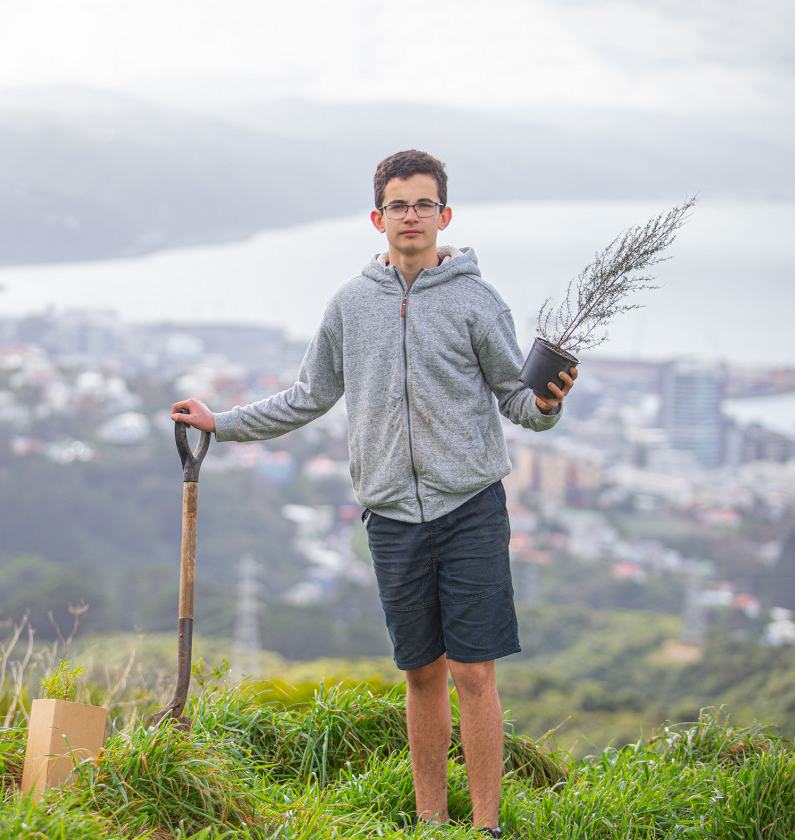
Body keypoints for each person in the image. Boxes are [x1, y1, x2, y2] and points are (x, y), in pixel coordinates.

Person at [172, 150, 576, 836]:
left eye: (423, 204)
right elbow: (309, 396)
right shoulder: (350, 304)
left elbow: (520, 402)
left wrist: (549, 404)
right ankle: (428, 822)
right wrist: (223, 424)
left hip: (471, 506)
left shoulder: (480, 302)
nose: (411, 216)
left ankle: (485, 827)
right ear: (377, 217)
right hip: (390, 515)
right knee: (421, 673)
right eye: (398, 204)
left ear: (444, 216)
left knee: (474, 674)